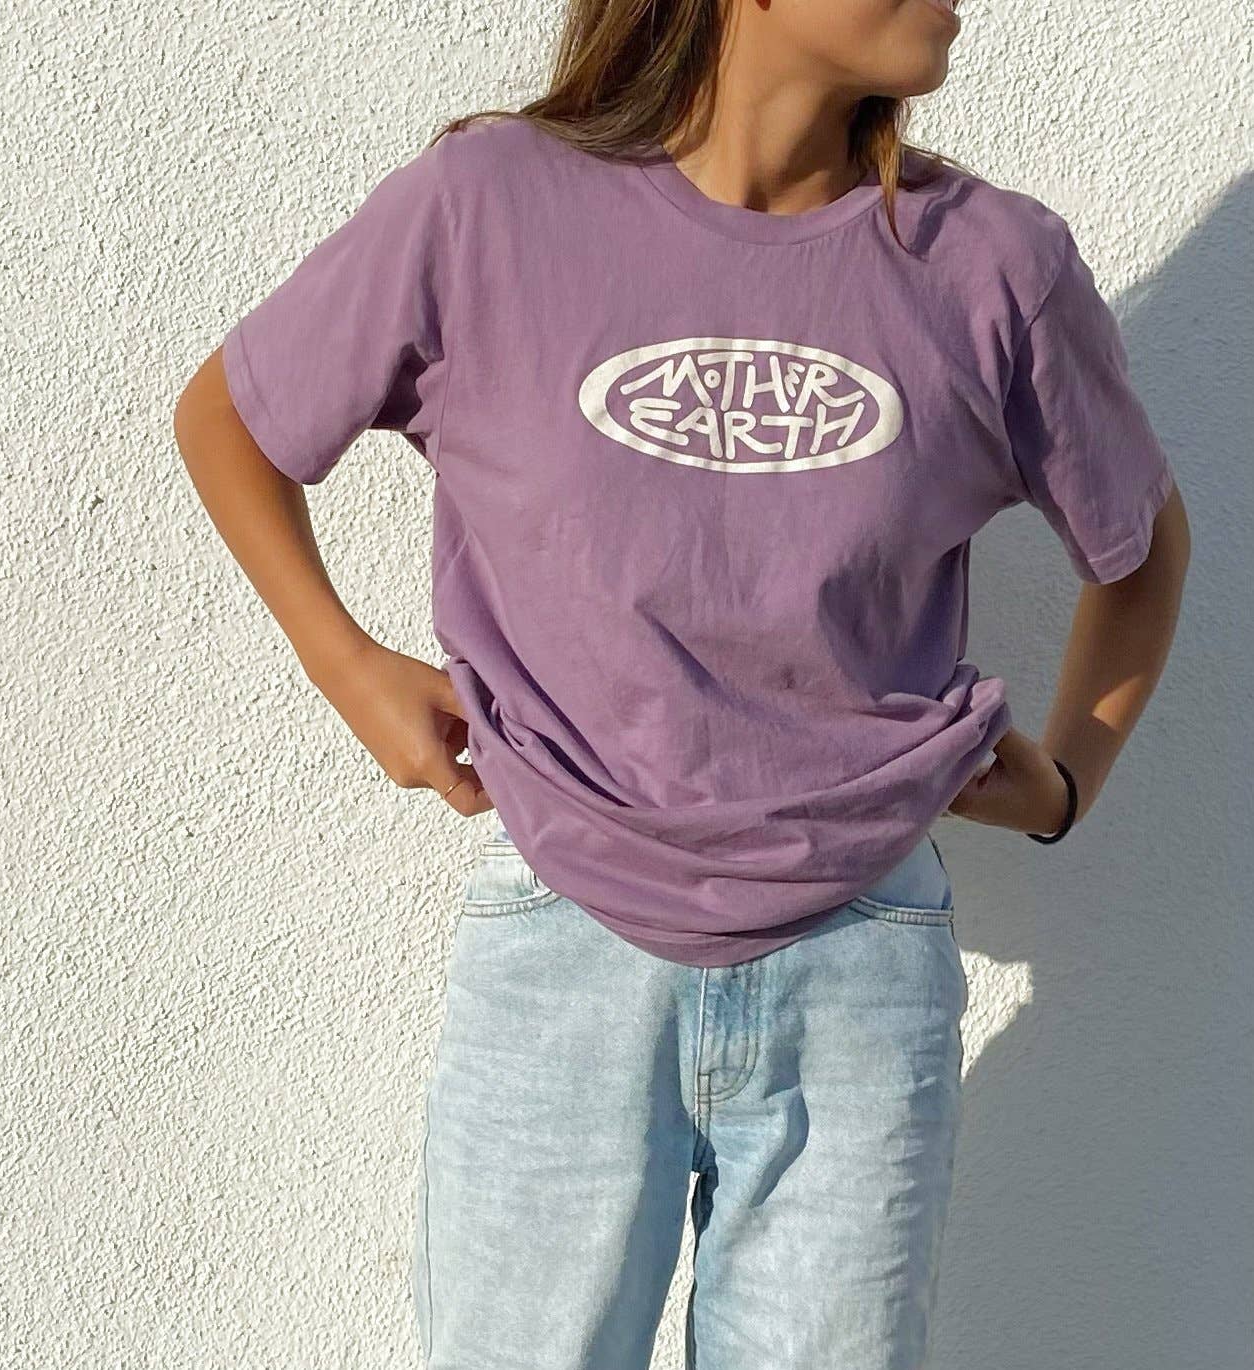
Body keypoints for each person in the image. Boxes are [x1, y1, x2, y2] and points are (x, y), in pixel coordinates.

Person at [173, 0, 1190, 1363]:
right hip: (561, 932)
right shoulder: (488, 207)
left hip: (861, 962)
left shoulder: (990, 264)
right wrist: (348, 667)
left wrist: (1064, 782)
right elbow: (232, 419)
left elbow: (1140, 547)